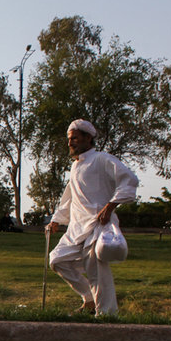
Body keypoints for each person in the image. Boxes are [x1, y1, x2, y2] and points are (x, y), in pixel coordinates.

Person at [47, 119, 138, 316]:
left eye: (75, 138)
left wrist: (111, 205)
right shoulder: (75, 166)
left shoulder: (102, 159)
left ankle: (106, 314)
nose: (70, 143)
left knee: (96, 271)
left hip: (98, 224)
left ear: (88, 138)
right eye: (69, 139)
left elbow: (129, 179)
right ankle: (88, 298)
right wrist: (56, 219)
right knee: (57, 260)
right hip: (76, 227)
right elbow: (69, 197)